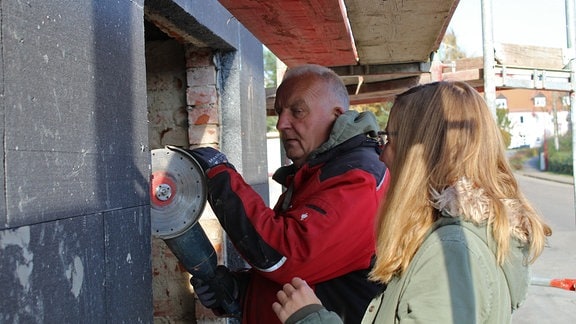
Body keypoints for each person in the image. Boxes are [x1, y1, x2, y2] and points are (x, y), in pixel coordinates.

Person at [271, 81, 552, 324]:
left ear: (420, 151)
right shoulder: (455, 241)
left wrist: (310, 317)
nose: (382, 156)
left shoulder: (450, 252)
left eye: (389, 140)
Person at [188, 64, 390, 323]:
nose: (282, 123)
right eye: (279, 112)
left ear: (337, 115)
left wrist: (220, 177)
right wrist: (240, 290)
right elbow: (306, 279)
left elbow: (285, 257)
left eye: (297, 111)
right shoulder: (316, 172)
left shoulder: (358, 178)